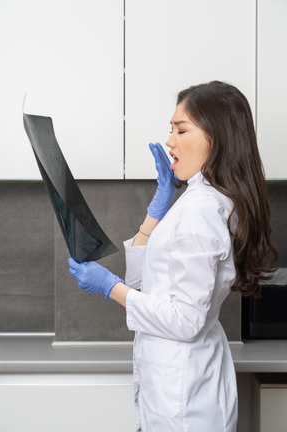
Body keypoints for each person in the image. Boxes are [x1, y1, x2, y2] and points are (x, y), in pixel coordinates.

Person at [68, 81, 278, 431]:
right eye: (171, 129)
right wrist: (157, 210)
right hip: (176, 384)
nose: (170, 141)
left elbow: (185, 319)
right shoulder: (200, 200)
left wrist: (110, 287)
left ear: (217, 137)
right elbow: (147, 284)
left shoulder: (202, 209)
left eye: (181, 129)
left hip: (185, 399)